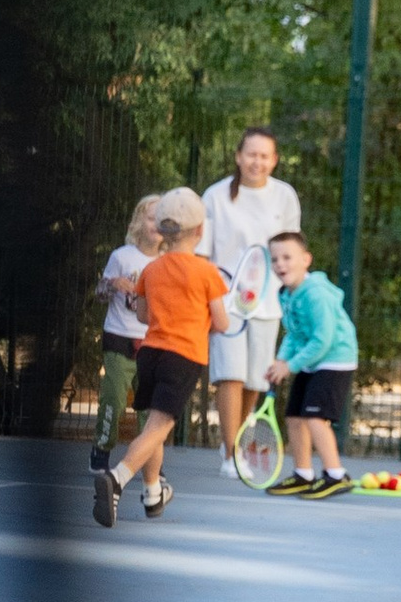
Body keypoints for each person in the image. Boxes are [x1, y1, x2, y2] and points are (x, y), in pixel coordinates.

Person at [91, 194, 240, 528]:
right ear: (200, 230)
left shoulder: (151, 269)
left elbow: (143, 315)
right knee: (159, 426)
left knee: (152, 427)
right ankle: (117, 478)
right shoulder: (207, 272)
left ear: (161, 229)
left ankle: (153, 491)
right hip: (183, 357)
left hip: (150, 354)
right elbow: (222, 323)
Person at [201, 129, 302, 477]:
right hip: (225, 303)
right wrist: (212, 299)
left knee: (254, 381)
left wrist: (291, 292)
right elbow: (203, 256)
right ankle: (231, 454)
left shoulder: (285, 196)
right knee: (229, 375)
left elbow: (291, 249)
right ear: (238, 156)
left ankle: (237, 442)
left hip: (269, 303)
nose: (257, 162)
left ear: (274, 160)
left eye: (265, 156)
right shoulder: (214, 197)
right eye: (251, 155)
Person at [265, 230, 359, 495]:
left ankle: (336, 474)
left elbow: (323, 339)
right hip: (311, 360)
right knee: (295, 417)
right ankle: (303, 474)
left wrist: (290, 366)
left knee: (315, 417)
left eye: (287, 257)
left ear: (306, 259)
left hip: (335, 360)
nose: (280, 264)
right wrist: (281, 361)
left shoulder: (315, 293)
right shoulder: (285, 294)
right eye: (275, 259)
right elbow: (294, 334)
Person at [91, 195, 166, 461]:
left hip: (152, 341)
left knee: (151, 407)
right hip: (119, 337)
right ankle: (102, 448)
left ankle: (148, 459)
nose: (155, 224)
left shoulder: (167, 262)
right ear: (138, 222)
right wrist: (112, 285)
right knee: (113, 398)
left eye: (161, 218)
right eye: (150, 217)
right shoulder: (122, 257)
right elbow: (99, 293)